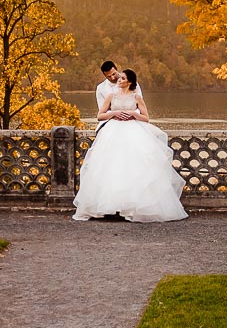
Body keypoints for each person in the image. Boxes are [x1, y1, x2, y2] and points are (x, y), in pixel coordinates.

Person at [73, 68, 187, 223]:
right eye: (119, 78)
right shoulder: (111, 96)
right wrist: (114, 113)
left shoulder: (137, 97)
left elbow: (146, 118)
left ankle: (132, 207)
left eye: (122, 78)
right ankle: (109, 207)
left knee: (134, 167)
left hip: (133, 130)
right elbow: (100, 115)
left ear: (130, 82)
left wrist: (134, 114)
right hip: (114, 131)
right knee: (111, 167)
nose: (119, 80)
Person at [94, 60, 142, 130]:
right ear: (104, 75)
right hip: (111, 122)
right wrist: (115, 114)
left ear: (116, 69)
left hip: (133, 120)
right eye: (109, 76)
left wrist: (131, 115)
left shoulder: (131, 82)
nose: (113, 78)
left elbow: (140, 104)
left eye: (114, 74)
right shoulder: (100, 88)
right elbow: (102, 111)